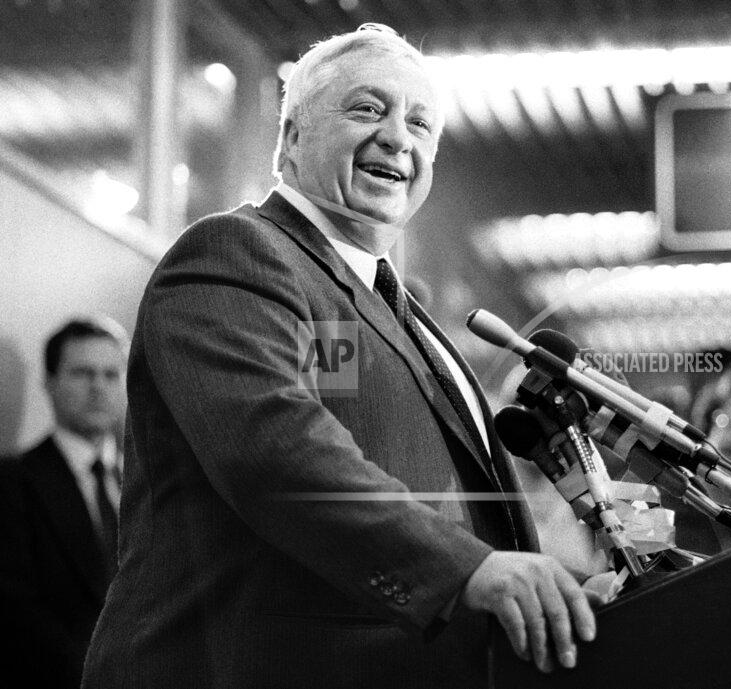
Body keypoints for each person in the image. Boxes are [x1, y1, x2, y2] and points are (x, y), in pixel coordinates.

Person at [82, 25, 594, 689]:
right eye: (367, 109)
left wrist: (562, 591)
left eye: (420, 123)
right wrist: (465, 567)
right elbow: (277, 450)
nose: (398, 138)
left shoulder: (397, 310)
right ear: (291, 139)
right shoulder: (235, 255)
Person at [0, 316, 128, 689]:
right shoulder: (13, 483)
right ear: (50, 383)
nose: (98, 387)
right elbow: (17, 610)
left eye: (111, 374)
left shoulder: (148, 479)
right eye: (83, 373)